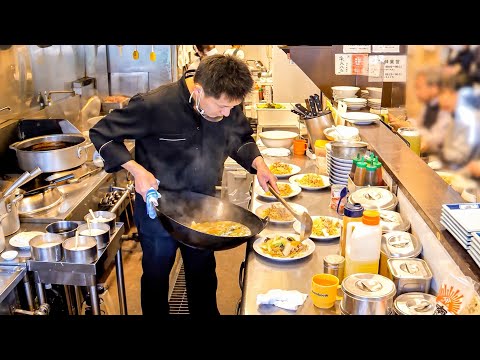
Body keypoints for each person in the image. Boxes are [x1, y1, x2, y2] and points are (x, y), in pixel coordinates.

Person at [89, 54, 278, 315]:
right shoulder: (153, 105)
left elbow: (240, 138)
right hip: (158, 208)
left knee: (202, 275)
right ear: (199, 92)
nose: (227, 114)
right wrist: (136, 170)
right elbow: (101, 134)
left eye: (231, 108)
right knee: (156, 276)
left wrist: (259, 164)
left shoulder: (228, 102)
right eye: (222, 107)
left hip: (204, 206)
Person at [389, 67, 453, 155]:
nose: (416, 93)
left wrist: (409, 127)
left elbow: (435, 140)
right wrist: (404, 124)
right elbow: (420, 123)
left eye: (419, 87)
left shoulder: (445, 107)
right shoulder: (429, 104)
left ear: (434, 88)